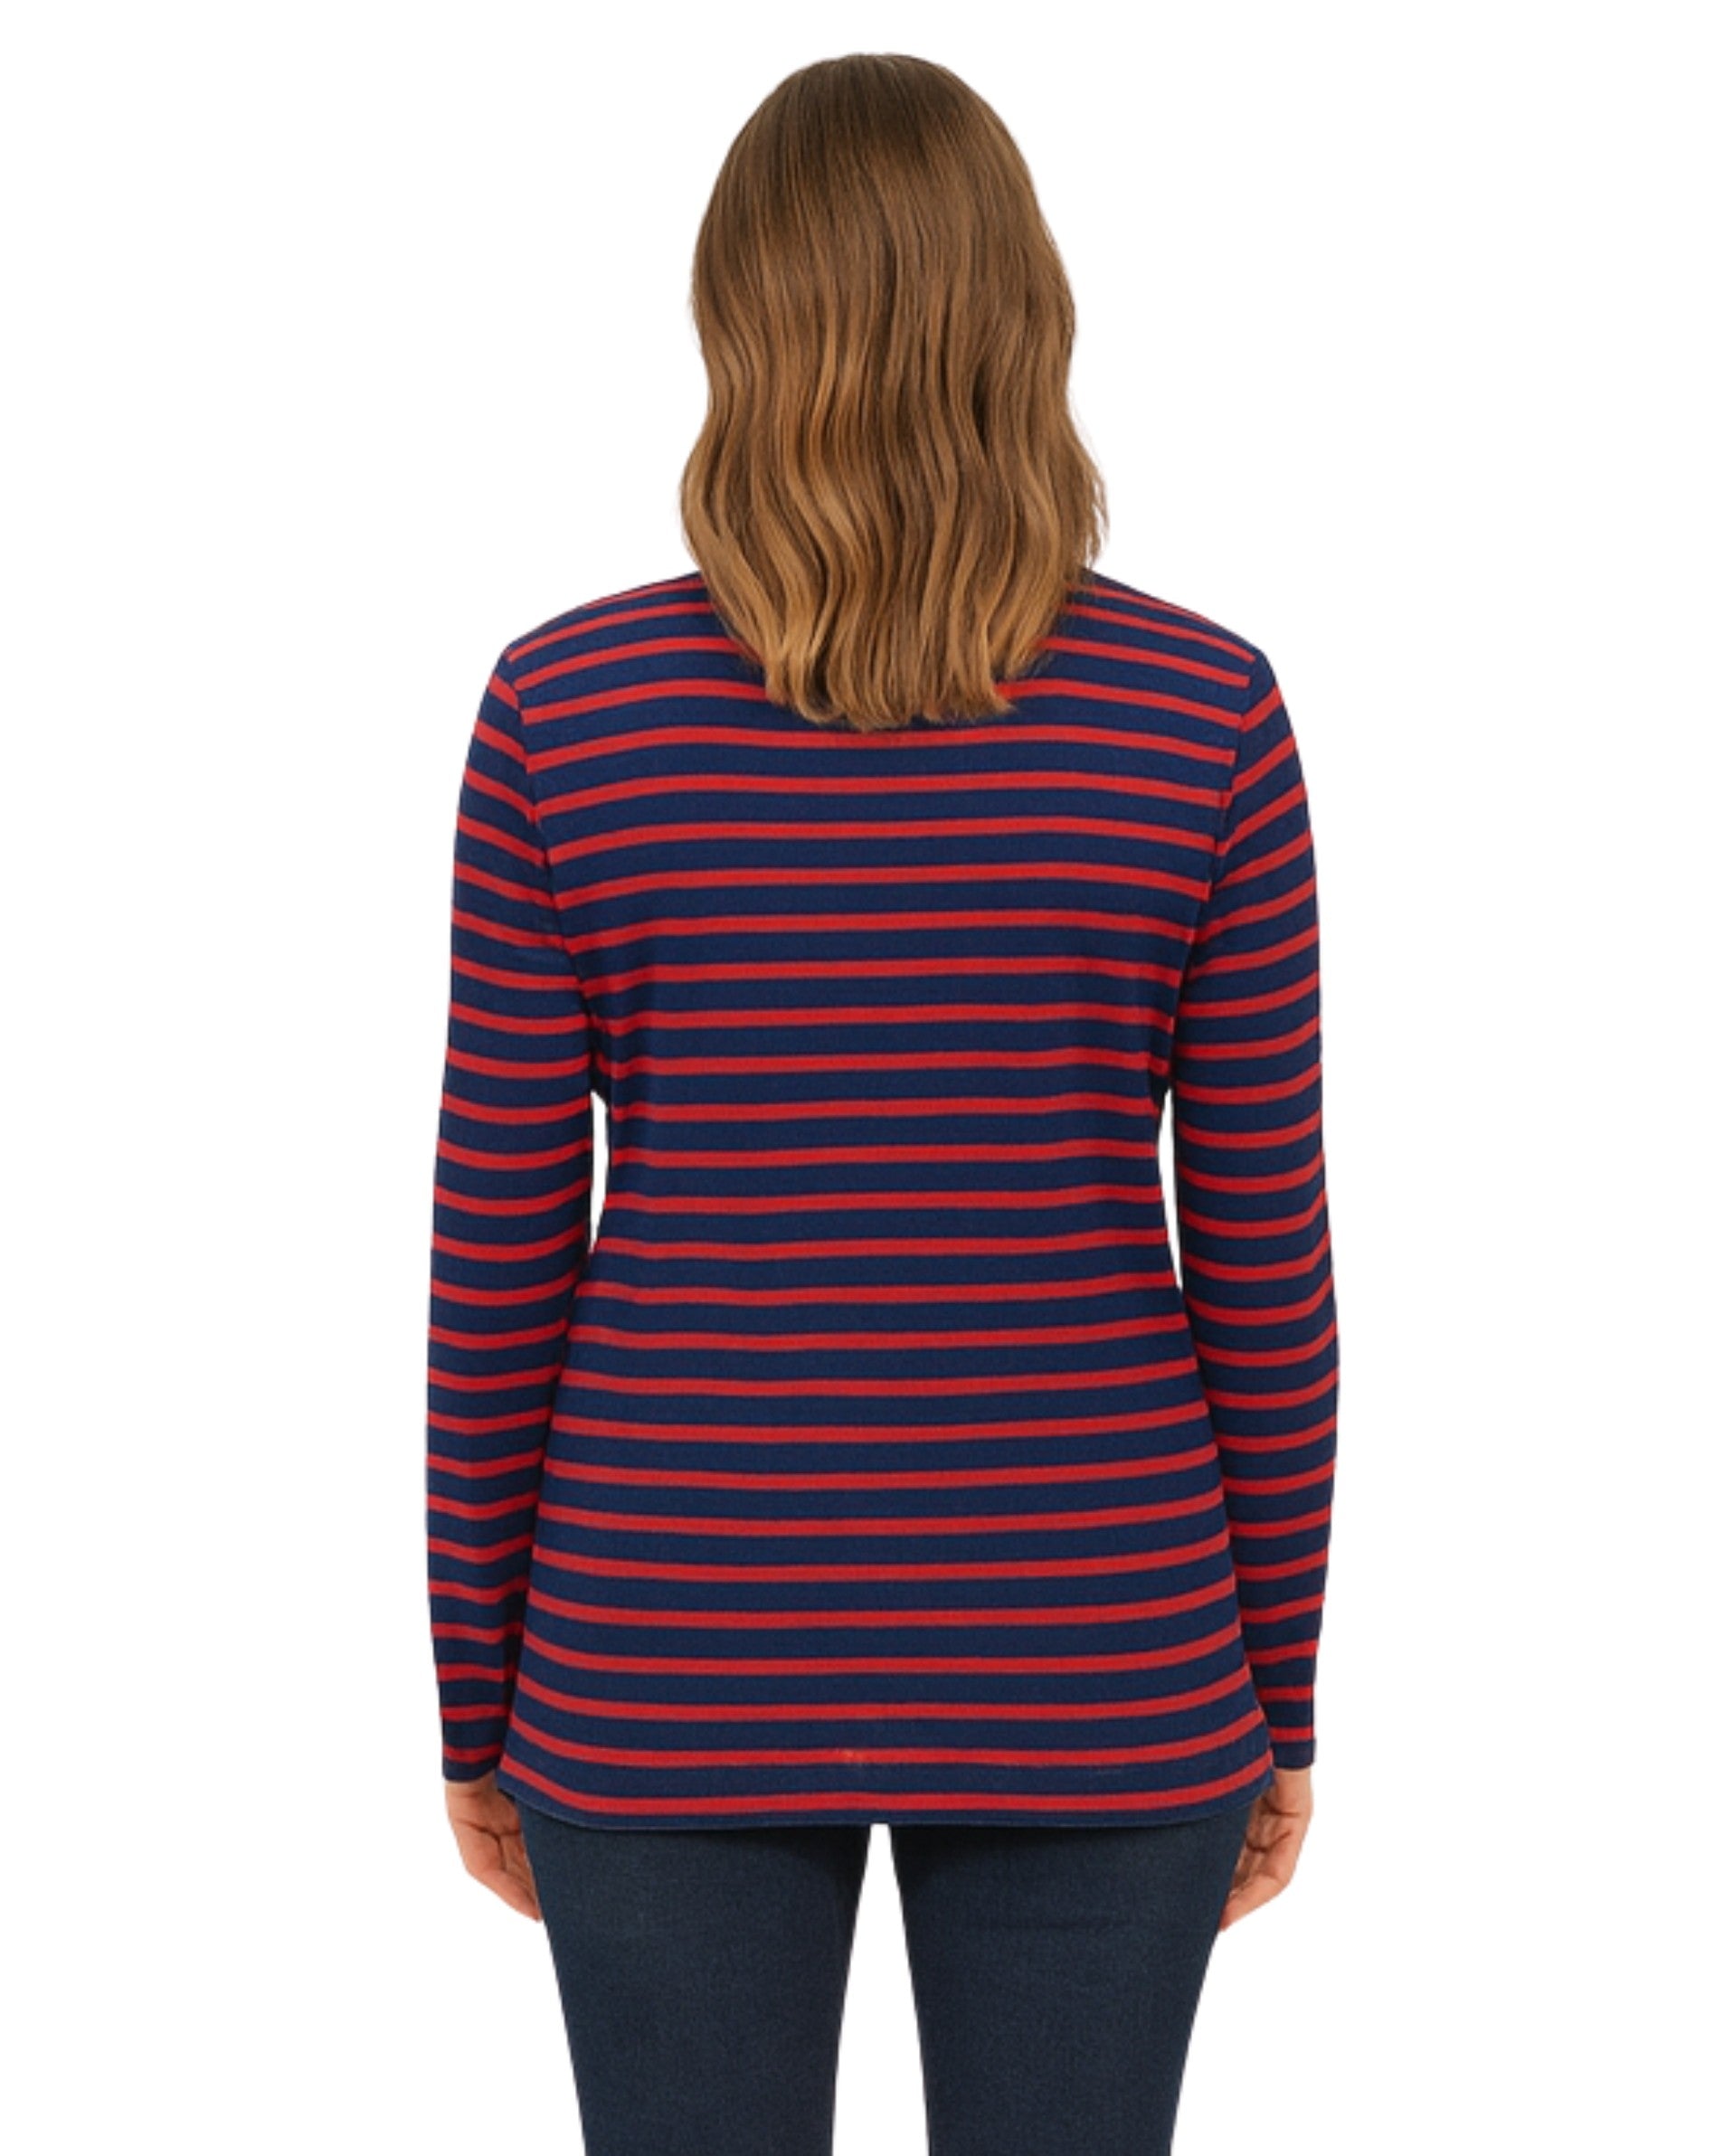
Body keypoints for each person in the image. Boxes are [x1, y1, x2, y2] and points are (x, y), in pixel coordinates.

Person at [426, 50, 1339, 2156]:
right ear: (1028, 320)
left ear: (736, 330)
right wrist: (1274, 1688)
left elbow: (497, 1258)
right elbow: (1262, 1265)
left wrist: (479, 1693)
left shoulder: (566, 715)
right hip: (1103, 1640)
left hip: (661, 1637)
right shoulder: (1198, 718)